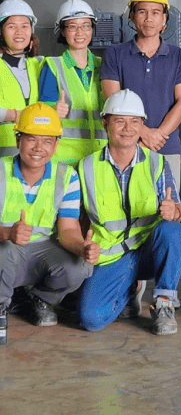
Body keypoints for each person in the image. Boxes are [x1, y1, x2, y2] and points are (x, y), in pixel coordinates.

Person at [78, 89, 181, 336]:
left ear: (142, 125)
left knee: (172, 230)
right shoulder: (86, 167)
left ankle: (164, 303)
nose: (127, 128)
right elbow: (77, 220)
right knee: (91, 320)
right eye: (119, 121)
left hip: (149, 250)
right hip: (112, 256)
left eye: (134, 121)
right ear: (105, 124)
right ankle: (129, 287)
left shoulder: (156, 163)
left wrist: (174, 211)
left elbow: (178, 209)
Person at [0, 103, 94, 342]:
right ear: (18, 138)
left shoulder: (67, 176)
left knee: (80, 266)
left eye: (47, 141)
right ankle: (2, 306)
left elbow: (68, 230)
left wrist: (82, 247)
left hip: (41, 251)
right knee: (3, 252)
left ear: (56, 144)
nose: (38, 148)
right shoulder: (0, 171)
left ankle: (38, 299)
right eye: (31, 139)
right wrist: (7, 233)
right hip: (6, 251)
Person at [100, 0, 181, 190]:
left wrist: (156, 136)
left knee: (167, 212)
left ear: (164, 19)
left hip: (166, 147)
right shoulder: (115, 54)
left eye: (155, 12)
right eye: (142, 11)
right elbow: (112, 102)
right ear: (132, 16)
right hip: (125, 147)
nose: (149, 19)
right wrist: (144, 134)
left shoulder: (179, 57)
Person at [39, 0, 107, 165]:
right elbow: (41, 115)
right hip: (65, 159)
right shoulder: (53, 66)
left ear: (92, 29)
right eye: (72, 26)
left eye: (85, 25)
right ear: (62, 31)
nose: (80, 32)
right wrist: (52, 110)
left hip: (100, 156)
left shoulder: (104, 65)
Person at [0, 0, 42, 158]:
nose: (19, 32)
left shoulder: (38, 65)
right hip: (3, 152)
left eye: (25, 26)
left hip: (35, 154)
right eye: (12, 26)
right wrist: (16, 115)